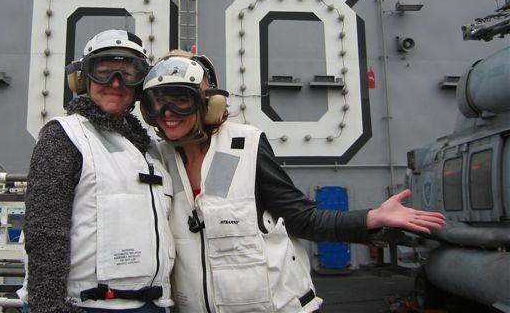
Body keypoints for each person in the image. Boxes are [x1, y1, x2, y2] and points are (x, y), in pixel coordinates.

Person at [139, 50, 447, 313]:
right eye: (157, 102)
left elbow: (301, 218)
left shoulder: (245, 145)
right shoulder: (157, 160)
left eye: (181, 100)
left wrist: (371, 218)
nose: (167, 113)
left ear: (208, 104)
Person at [22, 29, 175, 313]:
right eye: (103, 72)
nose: (115, 83)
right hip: (86, 306)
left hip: (153, 305)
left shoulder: (151, 149)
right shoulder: (64, 136)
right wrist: (49, 307)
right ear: (83, 79)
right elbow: (45, 230)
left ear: (141, 83)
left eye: (128, 74)